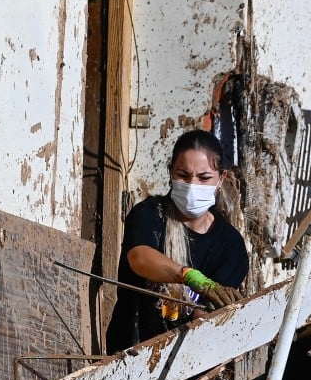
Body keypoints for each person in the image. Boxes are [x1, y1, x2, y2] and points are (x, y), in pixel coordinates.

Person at [105, 130, 249, 353]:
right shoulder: (149, 214)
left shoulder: (230, 245)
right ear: (170, 172)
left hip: (186, 360)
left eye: (204, 178)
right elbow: (139, 258)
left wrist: (205, 313)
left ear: (221, 179)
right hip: (129, 352)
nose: (192, 185)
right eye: (183, 175)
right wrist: (189, 276)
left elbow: (209, 313)